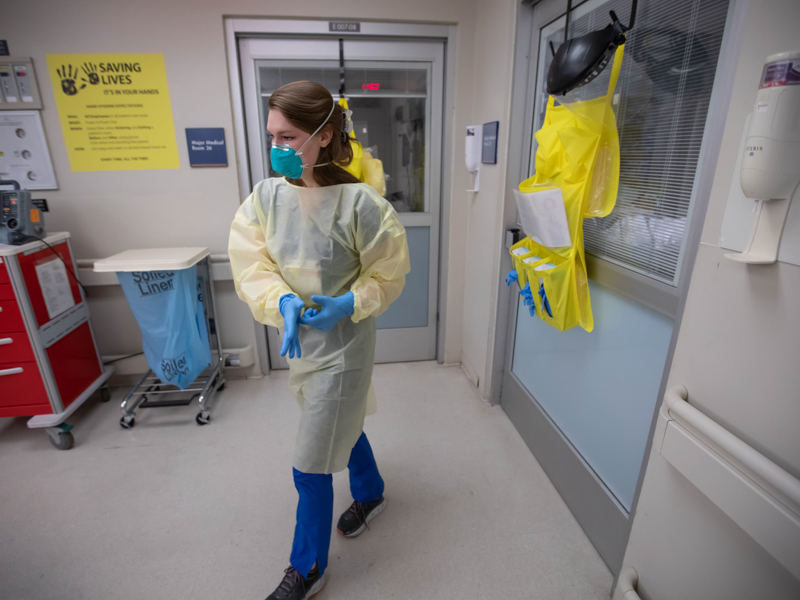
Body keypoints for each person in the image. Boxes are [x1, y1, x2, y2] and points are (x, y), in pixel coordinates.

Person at [228, 81, 410, 600]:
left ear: (325, 136)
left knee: (310, 460)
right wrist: (282, 301)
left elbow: (389, 274)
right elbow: (251, 262)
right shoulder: (266, 197)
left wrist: (348, 304)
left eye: (289, 137)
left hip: (346, 348)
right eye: (271, 136)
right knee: (340, 422)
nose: (276, 148)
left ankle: (306, 568)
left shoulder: (361, 205)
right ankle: (371, 493)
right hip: (303, 348)